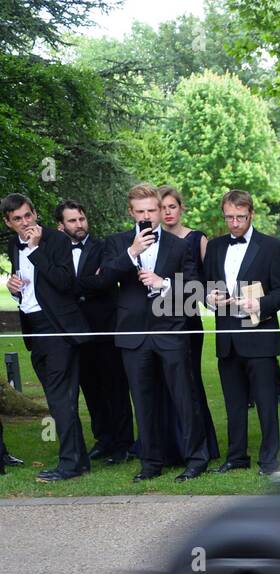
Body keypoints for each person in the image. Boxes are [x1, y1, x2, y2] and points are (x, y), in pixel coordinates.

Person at [96, 183, 206, 482]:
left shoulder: (180, 245)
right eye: (141, 211)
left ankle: (196, 459)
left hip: (170, 330)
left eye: (152, 210)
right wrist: (132, 252)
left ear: (160, 210)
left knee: (184, 398)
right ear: (131, 212)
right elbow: (102, 280)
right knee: (143, 402)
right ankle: (151, 462)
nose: (147, 216)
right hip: (133, 334)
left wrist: (164, 283)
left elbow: (194, 290)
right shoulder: (118, 243)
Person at [4, 193, 91, 482]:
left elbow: (66, 283)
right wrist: (14, 288)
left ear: (36, 213)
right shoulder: (11, 244)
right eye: (18, 219)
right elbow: (29, 288)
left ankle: (70, 464)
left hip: (58, 329)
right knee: (58, 399)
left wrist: (35, 249)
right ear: (8, 222)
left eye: (28, 215)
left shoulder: (57, 240)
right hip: (33, 328)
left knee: (60, 398)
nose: (25, 222)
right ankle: (78, 460)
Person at [203, 189, 280, 476]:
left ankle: (269, 460)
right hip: (227, 337)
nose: (235, 223)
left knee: (266, 404)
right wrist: (209, 298)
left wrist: (260, 303)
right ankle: (236, 456)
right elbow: (206, 287)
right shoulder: (215, 247)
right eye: (229, 217)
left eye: (240, 217)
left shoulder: (271, 246)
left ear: (251, 214)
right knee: (234, 404)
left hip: (259, 335)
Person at [56, 199, 134, 465]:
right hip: (76, 330)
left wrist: (73, 285)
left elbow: (104, 281)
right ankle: (104, 439)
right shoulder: (57, 251)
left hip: (106, 327)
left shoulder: (104, 247)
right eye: (72, 221)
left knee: (115, 386)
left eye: (81, 219)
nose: (79, 225)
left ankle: (124, 444)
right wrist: (86, 283)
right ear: (61, 225)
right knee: (90, 387)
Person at [158, 185, 220, 467]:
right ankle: (169, 447)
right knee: (162, 385)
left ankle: (200, 445)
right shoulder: (150, 241)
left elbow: (205, 282)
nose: (167, 212)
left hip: (186, 318)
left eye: (172, 206)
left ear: (181, 208)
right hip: (155, 321)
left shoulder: (197, 239)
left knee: (189, 383)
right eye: (162, 208)